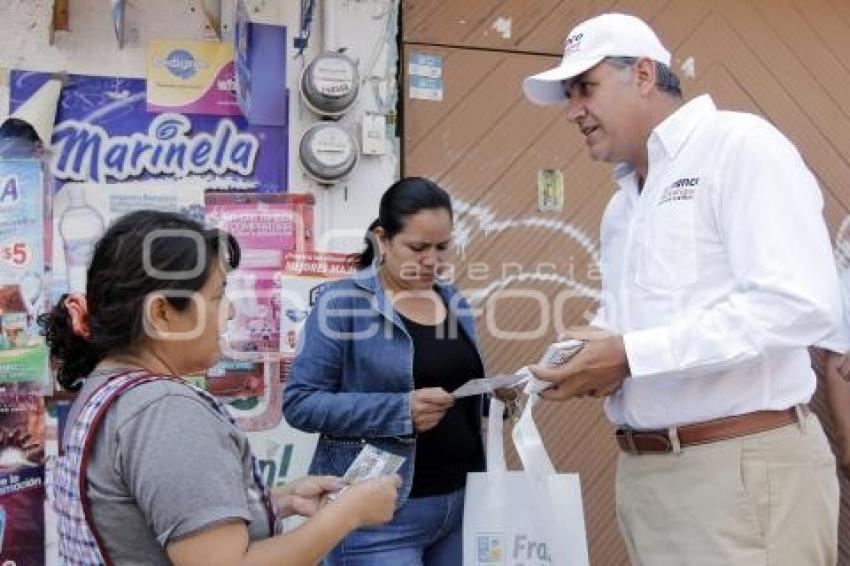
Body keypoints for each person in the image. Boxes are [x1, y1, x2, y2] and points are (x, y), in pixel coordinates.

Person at [522, 12, 844, 566]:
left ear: (644, 74)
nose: (574, 110)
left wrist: (628, 355)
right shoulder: (624, 204)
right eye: (570, 95)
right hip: (649, 477)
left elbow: (800, 305)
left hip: (739, 470)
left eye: (585, 88)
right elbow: (635, 319)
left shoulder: (741, 147)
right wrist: (583, 357)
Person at [41, 209, 400, 566]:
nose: (229, 313)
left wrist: (283, 500)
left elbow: (156, 521)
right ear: (162, 314)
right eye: (216, 297)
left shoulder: (105, 387)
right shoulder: (164, 411)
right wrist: (346, 515)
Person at [283, 177, 486, 565]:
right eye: (417, 247)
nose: (433, 260)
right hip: (379, 520)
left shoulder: (452, 300)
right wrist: (399, 410)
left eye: (442, 247)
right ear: (382, 238)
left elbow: (459, 383)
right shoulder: (342, 303)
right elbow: (301, 403)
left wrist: (496, 399)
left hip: (463, 507)